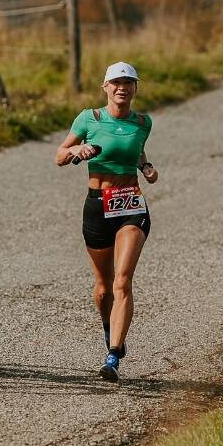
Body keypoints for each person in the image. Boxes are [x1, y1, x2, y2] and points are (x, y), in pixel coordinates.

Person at [55, 61, 158, 382]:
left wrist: (147, 166)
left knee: (122, 281)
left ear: (136, 88)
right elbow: (58, 155)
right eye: (115, 82)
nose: (122, 88)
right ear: (106, 87)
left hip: (130, 205)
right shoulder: (89, 118)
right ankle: (109, 328)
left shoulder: (143, 122)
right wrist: (77, 150)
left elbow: (137, 150)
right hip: (96, 205)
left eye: (128, 83)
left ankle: (113, 355)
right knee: (102, 289)